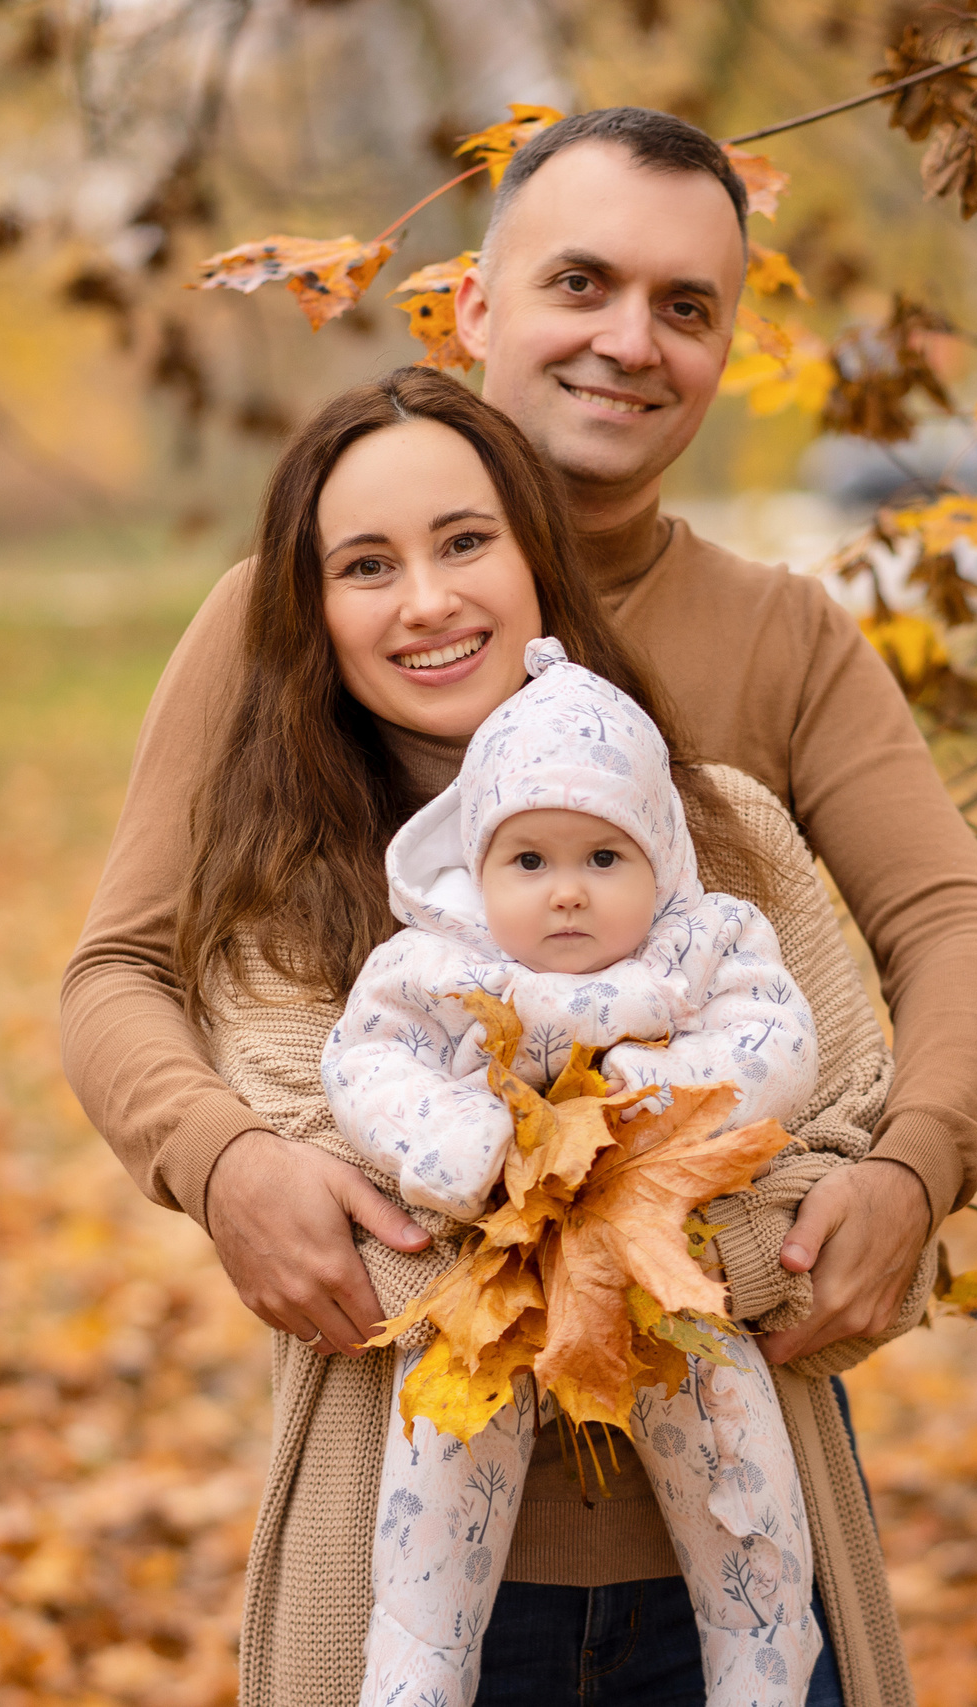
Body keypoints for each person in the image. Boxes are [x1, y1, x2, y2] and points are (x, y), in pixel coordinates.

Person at [62, 107, 977, 1706]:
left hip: (735, 1498)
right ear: (478, 305)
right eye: (582, 281)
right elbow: (116, 965)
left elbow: (956, 932)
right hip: (412, 1506)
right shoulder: (291, 614)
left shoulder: (777, 639)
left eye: (687, 305)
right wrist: (223, 1160)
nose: (629, 341)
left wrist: (916, 1176)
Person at [331, 637, 823, 1707]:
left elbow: (776, 1042)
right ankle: (414, 1678)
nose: (566, 895)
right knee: (443, 1462)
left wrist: (637, 1104)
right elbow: (364, 1060)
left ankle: (763, 1666)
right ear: (475, 864)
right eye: (529, 861)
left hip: (663, 1276)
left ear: (661, 858)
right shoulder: (438, 960)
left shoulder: (703, 946)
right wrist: (465, 1144)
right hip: (497, 1277)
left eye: (604, 860)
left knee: (738, 1476)